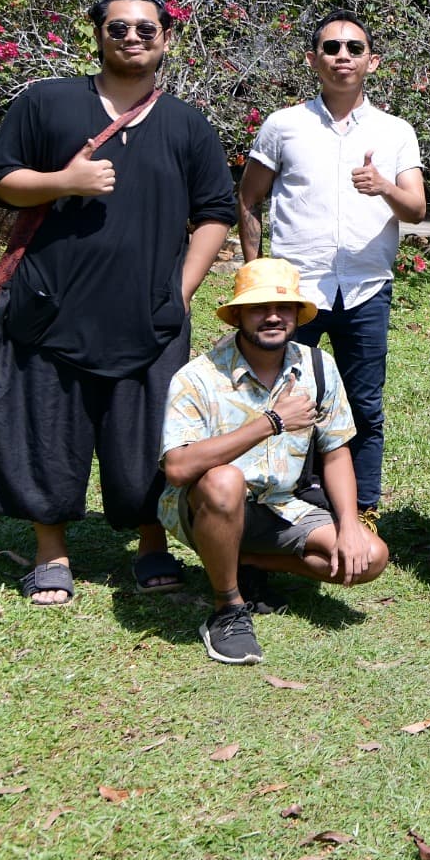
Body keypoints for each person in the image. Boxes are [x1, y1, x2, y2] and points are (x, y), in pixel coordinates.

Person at [0, 0, 236, 606]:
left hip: (148, 313)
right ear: (98, 35)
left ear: (166, 39)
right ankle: (51, 552)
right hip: (50, 305)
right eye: (119, 27)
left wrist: (180, 291)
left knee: (149, 434)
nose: (133, 38)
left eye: (146, 29)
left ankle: (152, 543)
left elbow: (216, 211)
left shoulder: (185, 123)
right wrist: (63, 180)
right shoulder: (47, 102)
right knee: (45, 426)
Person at [236, 11, 427, 526]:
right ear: (312, 58)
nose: (343, 56)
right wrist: (256, 278)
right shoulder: (284, 125)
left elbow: (416, 209)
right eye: (331, 47)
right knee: (284, 398)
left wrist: (383, 186)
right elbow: (249, 199)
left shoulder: (395, 131)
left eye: (354, 48)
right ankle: (279, 505)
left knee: (364, 403)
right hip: (295, 290)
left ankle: (360, 511)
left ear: (372, 61)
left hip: (366, 288)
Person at [157, 258, 390, 664]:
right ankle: (228, 608)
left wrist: (350, 525)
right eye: (258, 308)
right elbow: (177, 468)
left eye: (283, 307)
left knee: (370, 558)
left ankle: (242, 560)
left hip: (284, 506)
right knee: (225, 481)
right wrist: (271, 422)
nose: (272, 317)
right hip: (209, 506)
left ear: (297, 315)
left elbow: (336, 452)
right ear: (237, 316)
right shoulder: (198, 377)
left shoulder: (317, 367)